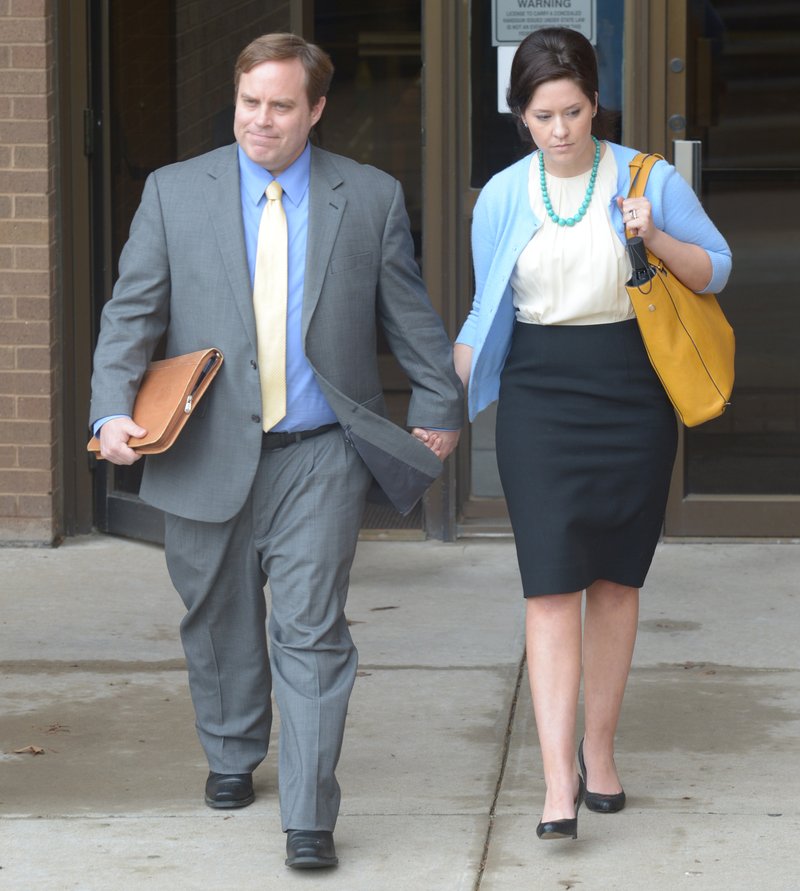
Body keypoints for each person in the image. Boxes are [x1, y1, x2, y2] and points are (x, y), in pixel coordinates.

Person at [90, 33, 462, 869]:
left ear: (316, 110)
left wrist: (439, 404)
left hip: (319, 450)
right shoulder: (174, 193)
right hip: (202, 447)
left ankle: (308, 815)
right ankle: (230, 748)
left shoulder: (368, 197)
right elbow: (131, 313)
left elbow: (410, 316)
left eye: (281, 106)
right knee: (216, 618)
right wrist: (112, 409)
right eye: (249, 102)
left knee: (311, 629)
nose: (261, 121)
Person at [454, 27, 730, 841]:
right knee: (548, 586)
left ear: (595, 103)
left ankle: (600, 753)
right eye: (544, 114)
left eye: (574, 110)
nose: (562, 129)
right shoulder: (503, 194)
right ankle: (555, 782)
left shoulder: (648, 176)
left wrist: (655, 235)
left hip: (631, 386)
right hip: (539, 392)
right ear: (521, 116)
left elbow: (716, 269)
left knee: (614, 582)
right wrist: (449, 388)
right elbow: (485, 304)